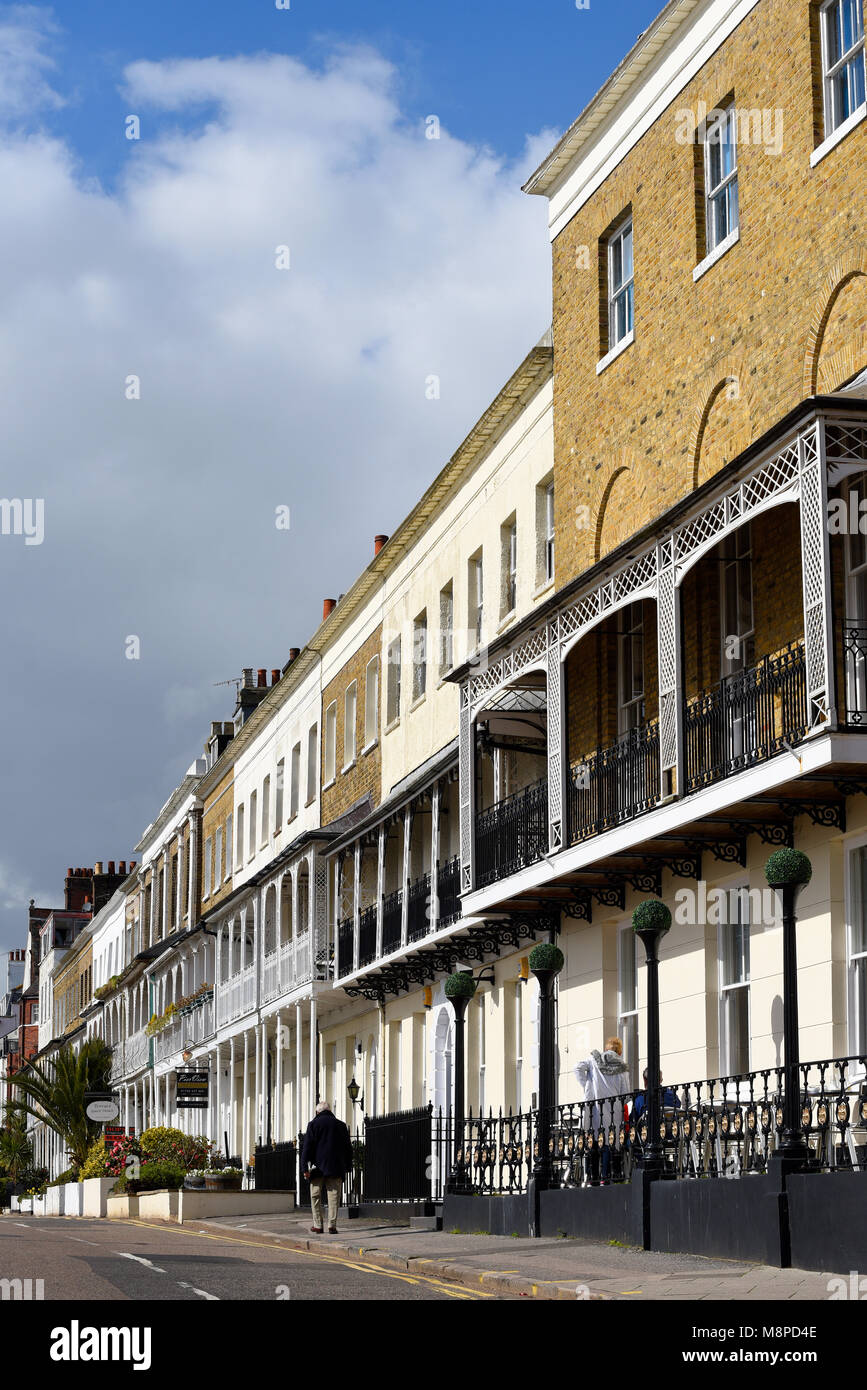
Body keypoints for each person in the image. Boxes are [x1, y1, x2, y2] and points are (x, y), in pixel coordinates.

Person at [573, 1036, 631, 1184]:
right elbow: (626, 1095)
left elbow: (577, 1068)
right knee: (609, 1142)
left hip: (595, 1110)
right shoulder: (622, 1067)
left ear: (607, 1048)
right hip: (614, 1110)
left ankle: (592, 1178)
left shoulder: (594, 1060)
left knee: (593, 1141)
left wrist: (588, 1085)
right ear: (619, 1051)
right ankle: (607, 1177)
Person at [301, 1100, 355, 1234]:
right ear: (330, 1111)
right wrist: (347, 1167)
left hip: (317, 1167)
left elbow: (307, 1148)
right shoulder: (341, 1125)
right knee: (334, 1197)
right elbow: (348, 1149)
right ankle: (332, 1225)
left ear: (317, 1112)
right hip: (336, 1167)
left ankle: (318, 1225)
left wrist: (304, 1168)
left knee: (315, 1196)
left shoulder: (313, 1124)